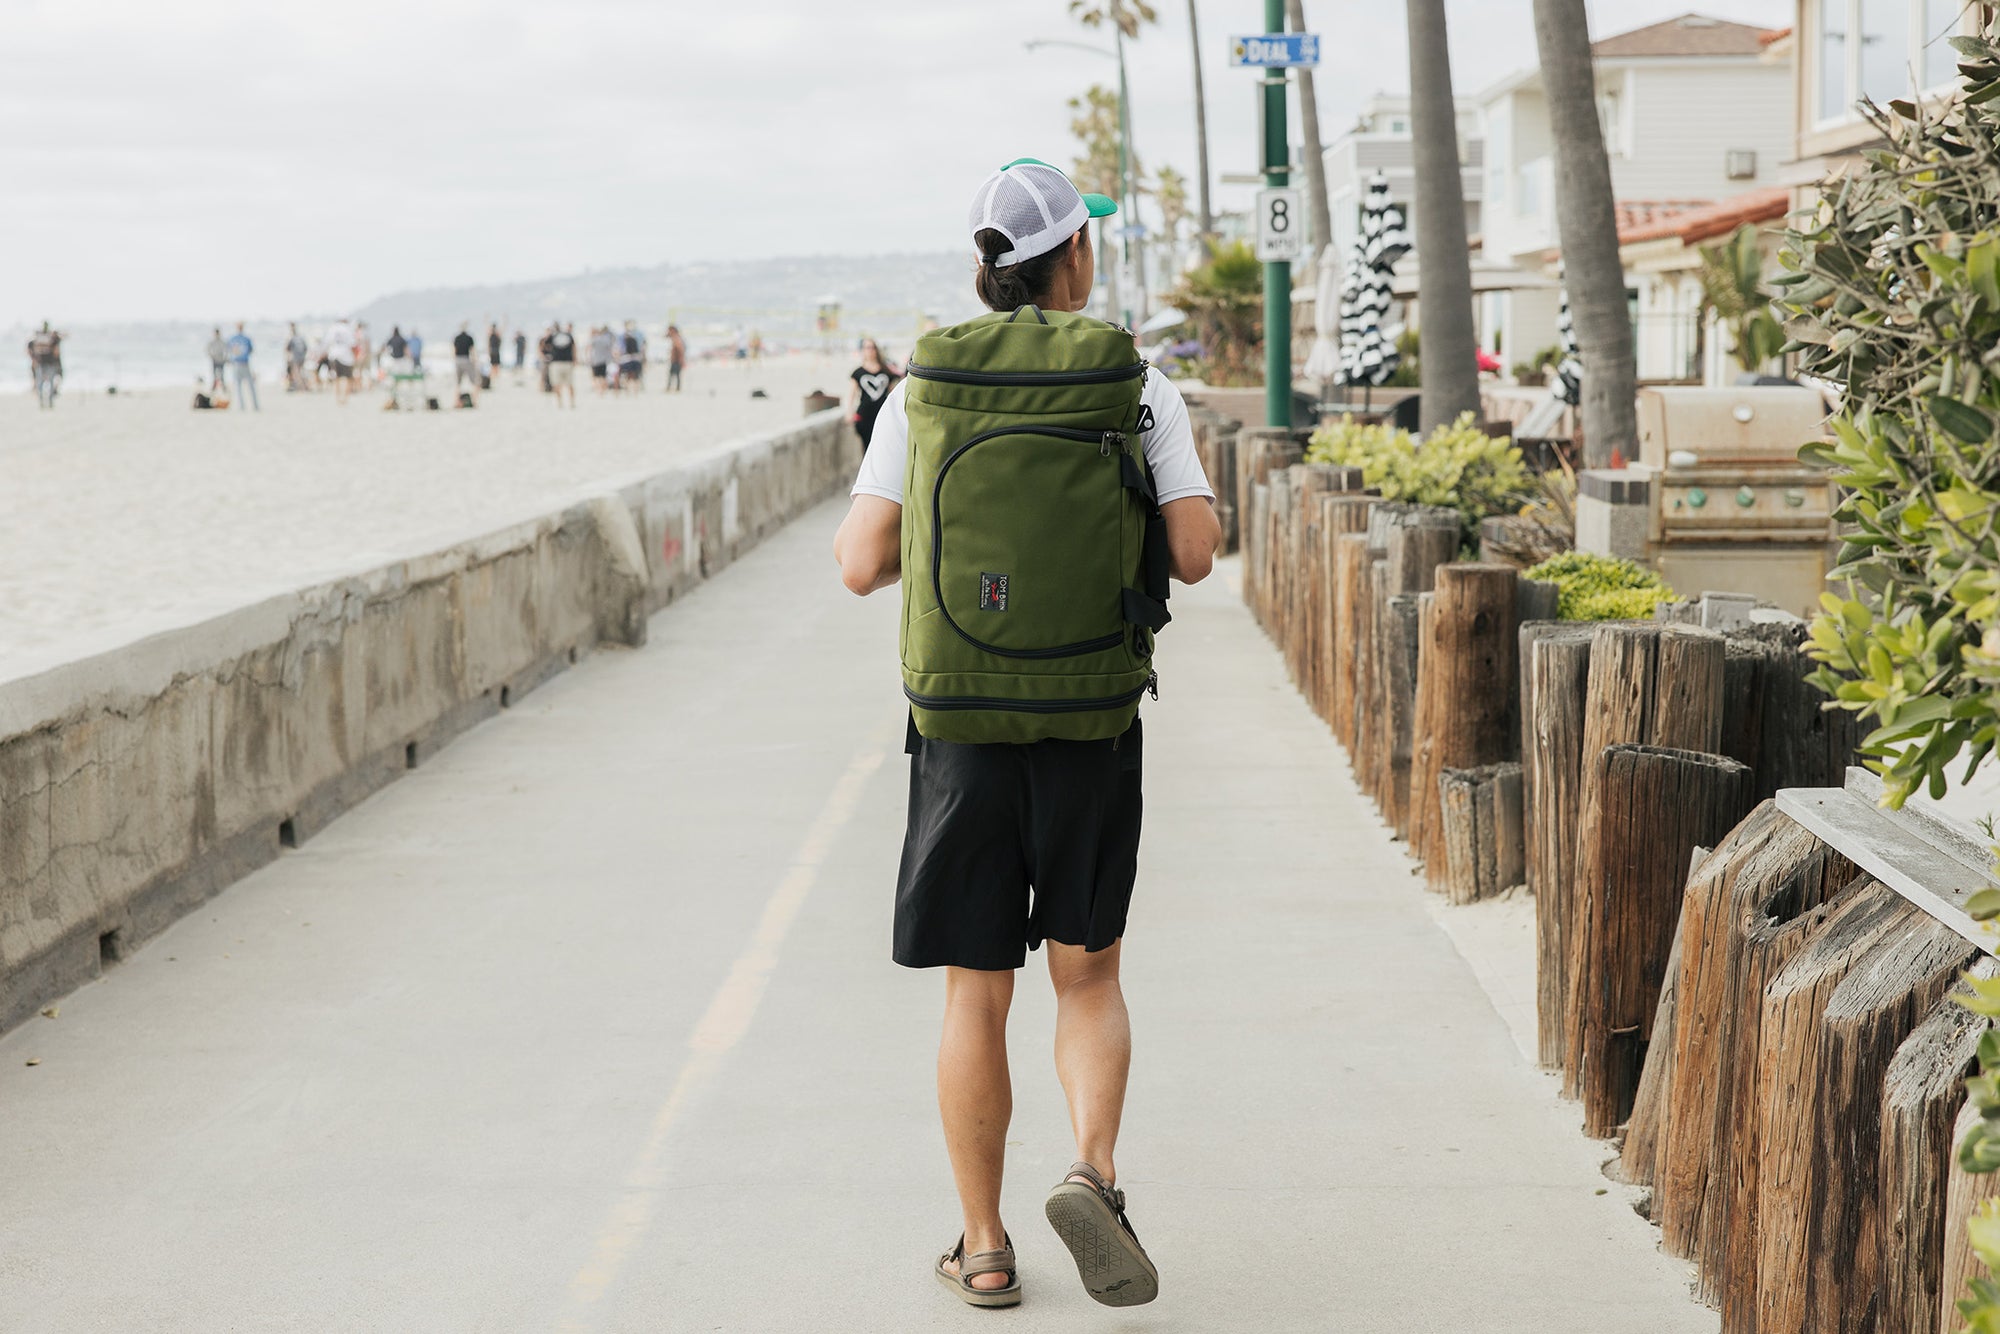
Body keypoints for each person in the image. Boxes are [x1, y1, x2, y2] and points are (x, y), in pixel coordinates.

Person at [832, 158, 1219, 1311]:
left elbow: (857, 564)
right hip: (1089, 716)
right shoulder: (1137, 384)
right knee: (1086, 974)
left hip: (959, 725)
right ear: (1076, 258)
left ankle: (984, 1243)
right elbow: (1196, 552)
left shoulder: (923, 388)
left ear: (985, 269)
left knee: (974, 990)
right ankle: (1092, 1172)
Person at [845, 337, 899, 450]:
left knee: (882, 447)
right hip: (864, 416)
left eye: (873, 347)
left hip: (882, 414)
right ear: (863, 350)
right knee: (867, 448)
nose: (870, 350)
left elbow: (893, 393)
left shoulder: (886, 371)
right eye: (867, 348)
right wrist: (849, 412)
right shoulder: (858, 373)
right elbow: (852, 394)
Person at [26, 321, 62, 409]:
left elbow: (29, 349)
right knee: (49, 382)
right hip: (48, 363)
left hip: (40, 363)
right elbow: (56, 352)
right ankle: (48, 402)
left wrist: (33, 359)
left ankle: (42, 402)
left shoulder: (37, 338)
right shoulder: (51, 338)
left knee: (40, 383)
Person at [225, 322, 259, 411]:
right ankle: (255, 406)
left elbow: (228, 350)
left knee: (238, 386)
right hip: (244, 363)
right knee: (250, 386)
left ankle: (242, 406)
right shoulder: (246, 338)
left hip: (236, 364)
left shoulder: (232, 338)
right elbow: (251, 350)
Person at [325, 317, 356, 404]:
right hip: (346, 356)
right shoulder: (348, 328)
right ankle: (345, 399)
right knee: (348, 379)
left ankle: (337, 398)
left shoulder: (332, 328)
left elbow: (327, 343)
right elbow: (353, 344)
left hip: (333, 355)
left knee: (336, 378)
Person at [547, 320, 576, 407]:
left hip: (557, 362)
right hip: (566, 362)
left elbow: (544, 344)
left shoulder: (553, 336)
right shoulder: (568, 335)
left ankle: (561, 402)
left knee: (558, 384)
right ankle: (570, 403)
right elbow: (574, 348)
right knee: (567, 383)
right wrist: (575, 359)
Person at [452, 322, 479, 403]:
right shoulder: (469, 338)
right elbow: (472, 350)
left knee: (458, 383)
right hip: (466, 360)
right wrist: (475, 361)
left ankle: (457, 402)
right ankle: (474, 401)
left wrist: (454, 360)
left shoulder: (456, 338)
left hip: (458, 360)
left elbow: (454, 350)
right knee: (474, 382)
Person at [619, 320, 644, 391]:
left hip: (627, 359)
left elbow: (621, 349)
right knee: (636, 376)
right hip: (636, 358)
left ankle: (628, 390)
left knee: (627, 376)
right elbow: (642, 347)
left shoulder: (623, 336)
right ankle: (635, 391)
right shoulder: (638, 334)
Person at [589, 323, 615, 394]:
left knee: (597, 376)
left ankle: (599, 390)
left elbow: (589, 348)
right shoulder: (606, 340)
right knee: (603, 376)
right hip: (604, 360)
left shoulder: (594, 339)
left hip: (596, 360)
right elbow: (610, 349)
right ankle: (603, 390)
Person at [285, 323, 309, 391]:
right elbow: (305, 348)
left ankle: (301, 387)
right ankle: (305, 386)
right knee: (302, 372)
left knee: (297, 373)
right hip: (302, 357)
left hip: (295, 358)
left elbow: (287, 349)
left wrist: (288, 358)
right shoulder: (301, 337)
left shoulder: (291, 338)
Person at [206, 328, 228, 392]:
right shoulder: (212, 341)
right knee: (214, 375)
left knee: (222, 375)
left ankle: (223, 387)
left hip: (221, 360)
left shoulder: (222, 341)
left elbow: (226, 350)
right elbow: (208, 350)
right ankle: (214, 387)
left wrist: (225, 358)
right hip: (215, 360)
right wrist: (212, 356)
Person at [665, 324, 685, 392]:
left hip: (676, 360)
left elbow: (680, 349)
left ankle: (674, 388)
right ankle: (676, 388)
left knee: (674, 374)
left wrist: (681, 360)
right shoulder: (676, 337)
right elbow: (666, 336)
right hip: (676, 359)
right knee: (675, 374)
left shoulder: (676, 338)